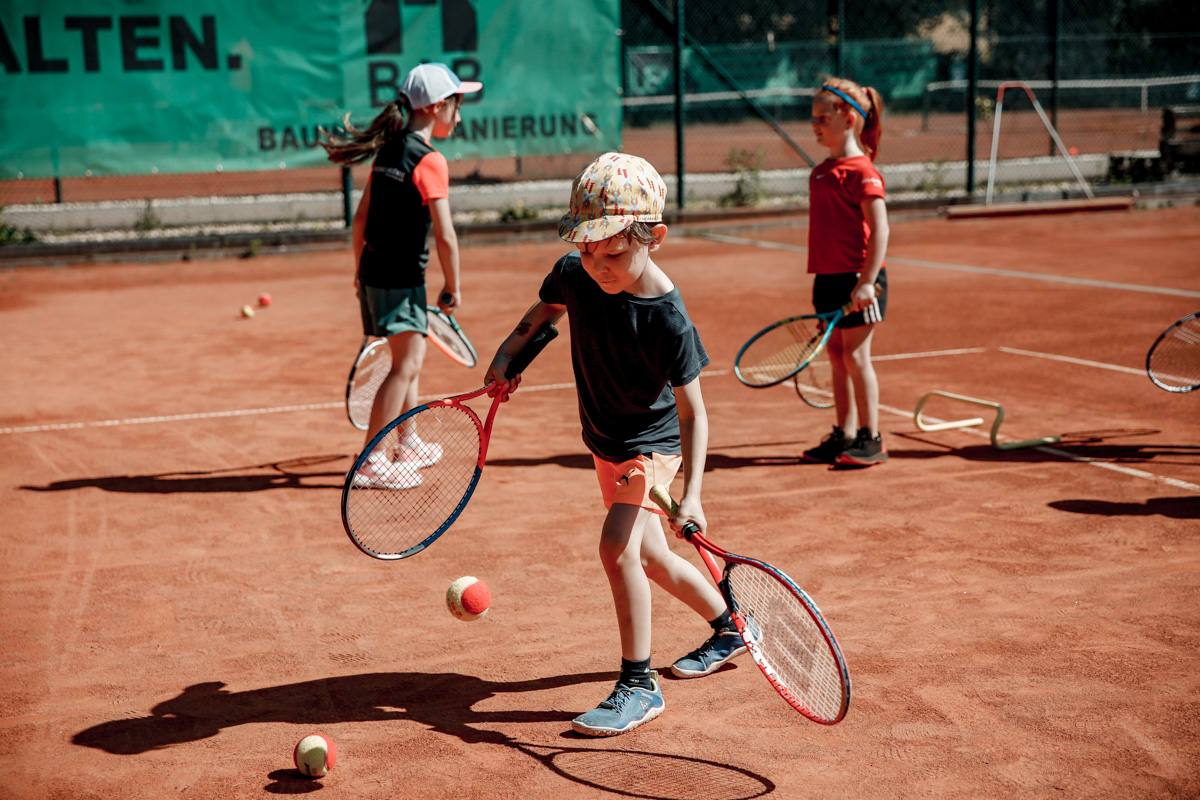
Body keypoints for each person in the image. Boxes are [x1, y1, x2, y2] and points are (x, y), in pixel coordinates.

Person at [485, 153, 745, 736]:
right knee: (650, 557)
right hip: (604, 440)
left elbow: (694, 413)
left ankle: (639, 684)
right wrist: (508, 354)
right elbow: (546, 310)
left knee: (616, 547)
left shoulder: (668, 319)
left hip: (651, 447)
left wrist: (692, 494)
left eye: (614, 254)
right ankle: (730, 626)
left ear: (654, 237)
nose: (597, 266)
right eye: (586, 251)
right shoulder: (575, 273)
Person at [321, 63, 481, 488]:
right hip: (401, 279)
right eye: (456, 105)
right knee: (406, 365)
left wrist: (359, 271)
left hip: (375, 273)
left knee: (407, 360)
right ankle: (372, 461)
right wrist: (453, 287)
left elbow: (360, 219)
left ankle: (408, 444)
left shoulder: (388, 151)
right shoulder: (429, 160)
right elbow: (445, 235)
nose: (459, 116)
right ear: (435, 107)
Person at [801, 78, 891, 467]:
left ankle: (872, 438)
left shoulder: (862, 172)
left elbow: (881, 229)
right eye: (813, 118)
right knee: (837, 357)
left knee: (855, 357)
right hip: (826, 279)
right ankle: (845, 434)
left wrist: (867, 282)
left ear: (849, 119)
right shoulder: (821, 171)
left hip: (859, 279)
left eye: (823, 117)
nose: (815, 124)